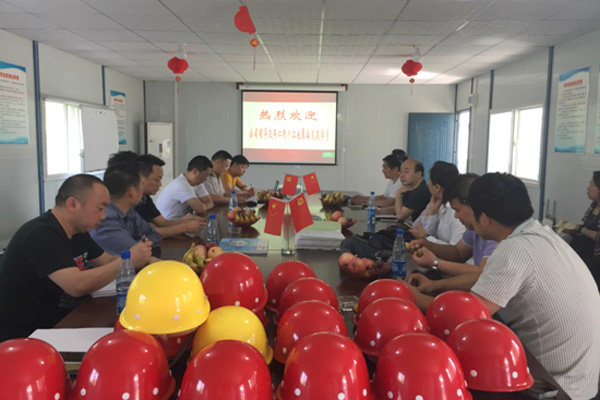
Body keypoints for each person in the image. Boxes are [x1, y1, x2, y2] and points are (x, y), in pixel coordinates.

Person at [407, 173, 600, 400]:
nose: (458, 216)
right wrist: (436, 286)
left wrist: (408, 295)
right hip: (581, 378)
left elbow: (465, 319)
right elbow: (481, 285)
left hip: (557, 386)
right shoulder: (540, 234)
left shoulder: (515, 250)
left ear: (484, 218)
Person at [0, 175, 152, 341]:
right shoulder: (41, 234)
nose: (103, 216)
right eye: (100, 209)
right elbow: (77, 285)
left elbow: (107, 261)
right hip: (21, 333)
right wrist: (129, 260)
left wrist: (148, 260)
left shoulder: (78, 231)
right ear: (72, 204)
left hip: (53, 317)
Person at [407, 173, 497, 289]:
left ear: (473, 205)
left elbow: (482, 274)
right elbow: (458, 252)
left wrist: (435, 262)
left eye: (457, 210)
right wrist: (426, 244)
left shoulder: (495, 233)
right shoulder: (474, 227)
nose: (455, 216)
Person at [91, 163, 162, 256]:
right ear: (132, 192)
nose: (143, 190)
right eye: (142, 184)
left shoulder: (129, 211)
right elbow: (135, 253)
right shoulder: (106, 220)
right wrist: (140, 244)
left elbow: (155, 235)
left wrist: (138, 244)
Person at [133, 154, 206, 238]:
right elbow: (150, 233)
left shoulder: (145, 198)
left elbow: (163, 222)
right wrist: (185, 227)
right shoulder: (131, 201)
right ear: (141, 179)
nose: (160, 184)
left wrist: (188, 221)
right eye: (157, 179)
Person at [409, 161, 464, 245]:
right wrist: (432, 212)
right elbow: (427, 233)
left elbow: (456, 249)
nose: (428, 186)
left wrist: (425, 237)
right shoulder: (440, 205)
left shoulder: (455, 211)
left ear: (437, 187)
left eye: (429, 183)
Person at [564, 171, 600, 288]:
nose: (587, 188)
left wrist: (581, 230)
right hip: (583, 255)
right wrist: (572, 229)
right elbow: (583, 226)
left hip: (595, 262)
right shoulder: (593, 206)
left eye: (592, 184)